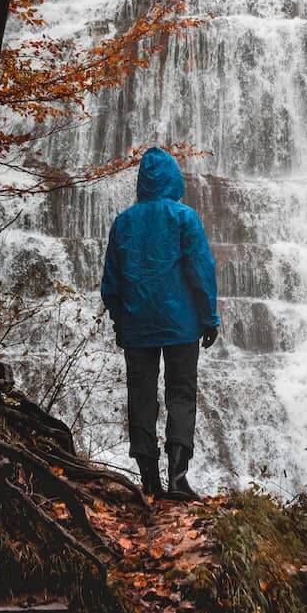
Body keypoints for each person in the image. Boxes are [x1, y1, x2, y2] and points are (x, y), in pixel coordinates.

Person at [101, 146, 220, 500]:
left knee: (141, 397)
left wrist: (121, 318)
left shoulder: (123, 222)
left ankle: (149, 480)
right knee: (181, 393)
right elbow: (201, 271)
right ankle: (178, 477)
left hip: (138, 326)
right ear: (173, 178)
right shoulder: (183, 218)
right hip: (181, 324)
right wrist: (209, 317)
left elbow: (111, 282)